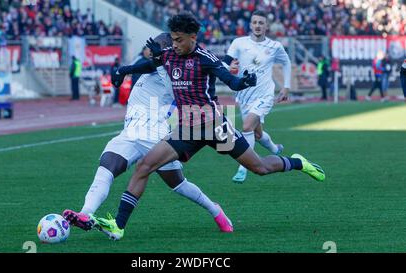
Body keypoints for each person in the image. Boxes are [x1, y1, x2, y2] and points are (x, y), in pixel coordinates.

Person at [94, 11, 325, 240]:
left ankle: (297, 162)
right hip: (185, 127)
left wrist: (243, 82)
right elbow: (150, 64)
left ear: (193, 37)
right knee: (144, 166)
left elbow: (231, 81)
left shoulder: (206, 58)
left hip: (213, 126)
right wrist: (124, 71)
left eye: (179, 40)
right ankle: (118, 226)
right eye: (172, 39)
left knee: (260, 168)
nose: (174, 44)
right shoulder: (169, 55)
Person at [63, 33, 234, 235]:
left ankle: (215, 210)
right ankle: (86, 214)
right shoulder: (151, 65)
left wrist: (159, 63)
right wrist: (123, 71)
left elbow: (173, 92)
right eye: (152, 46)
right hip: (130, 133)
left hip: (156, 135)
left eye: (158, 47)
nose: (151, 49)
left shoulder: (174, 71)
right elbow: (143, 66)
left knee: (178, 184)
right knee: (106, 168)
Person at [223, 11, 291, 183]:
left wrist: (286, 86)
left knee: (246, 127)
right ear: (250, 25)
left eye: (261, 22)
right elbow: (225, 62)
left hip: (265, 95)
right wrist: (227, 69)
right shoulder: (239, 43)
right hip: (244, 96)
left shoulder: (274, 46)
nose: (258, 25)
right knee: (257, 134)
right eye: (255, 22)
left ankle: (242, 167)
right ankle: (275, 149)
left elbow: (286, 62)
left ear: (266, 26)